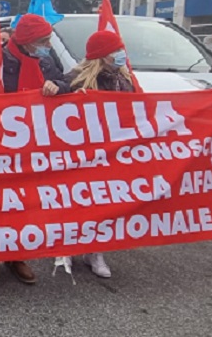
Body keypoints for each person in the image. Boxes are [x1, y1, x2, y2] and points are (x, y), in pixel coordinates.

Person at [0, 13, 69, 285]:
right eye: (43, 41)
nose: (48, 46)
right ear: (28, 41)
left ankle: (17, 256)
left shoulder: (46, 60)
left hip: (34, 143)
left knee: (25, 201)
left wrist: (58, 87)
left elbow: (66, 82)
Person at [64, 30, 135, 278]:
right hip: (85, 152)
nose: (120, 55)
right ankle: (68, 249)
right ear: (103, 55)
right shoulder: (77, 79)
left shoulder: (125, 79)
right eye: (116, 50)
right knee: (79, 201)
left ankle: (95, 252)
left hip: (114, 152)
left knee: (103, 204)